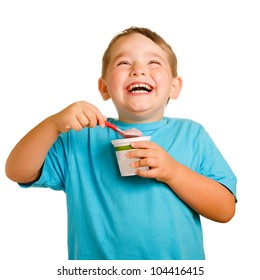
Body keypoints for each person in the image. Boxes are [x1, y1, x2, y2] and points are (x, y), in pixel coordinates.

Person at [5, 26, 237, 260]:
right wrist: (53, 124)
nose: (138, 70)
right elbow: (17, 171)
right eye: (124, 63)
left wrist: (173, 172)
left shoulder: (192, 135)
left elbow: (225, 210)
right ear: (104, 87)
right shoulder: (81, 138)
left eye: (154, 63)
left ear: (174, 87)